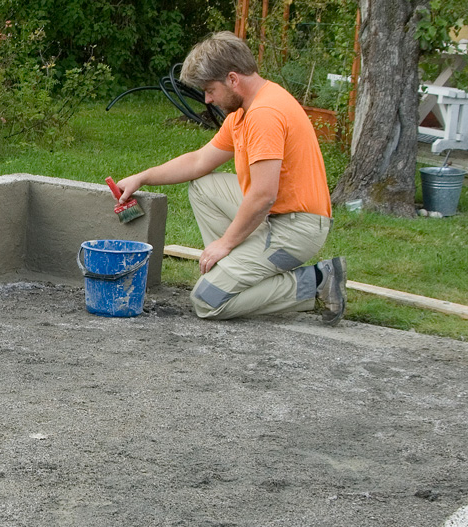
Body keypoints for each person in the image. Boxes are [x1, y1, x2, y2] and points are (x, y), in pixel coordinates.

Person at [115, 31, 346, 325]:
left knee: (207, 300)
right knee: (203, 186)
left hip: (297, 229)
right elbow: (199, 161)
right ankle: (230, 272)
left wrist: (225, 242)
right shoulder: (244, 112)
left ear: (233, 79)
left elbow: (263, 195)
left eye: (210, 90)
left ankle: (316, 282)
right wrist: (142, 177)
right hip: (277, 215)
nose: (208, 99)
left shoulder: (265, 114)